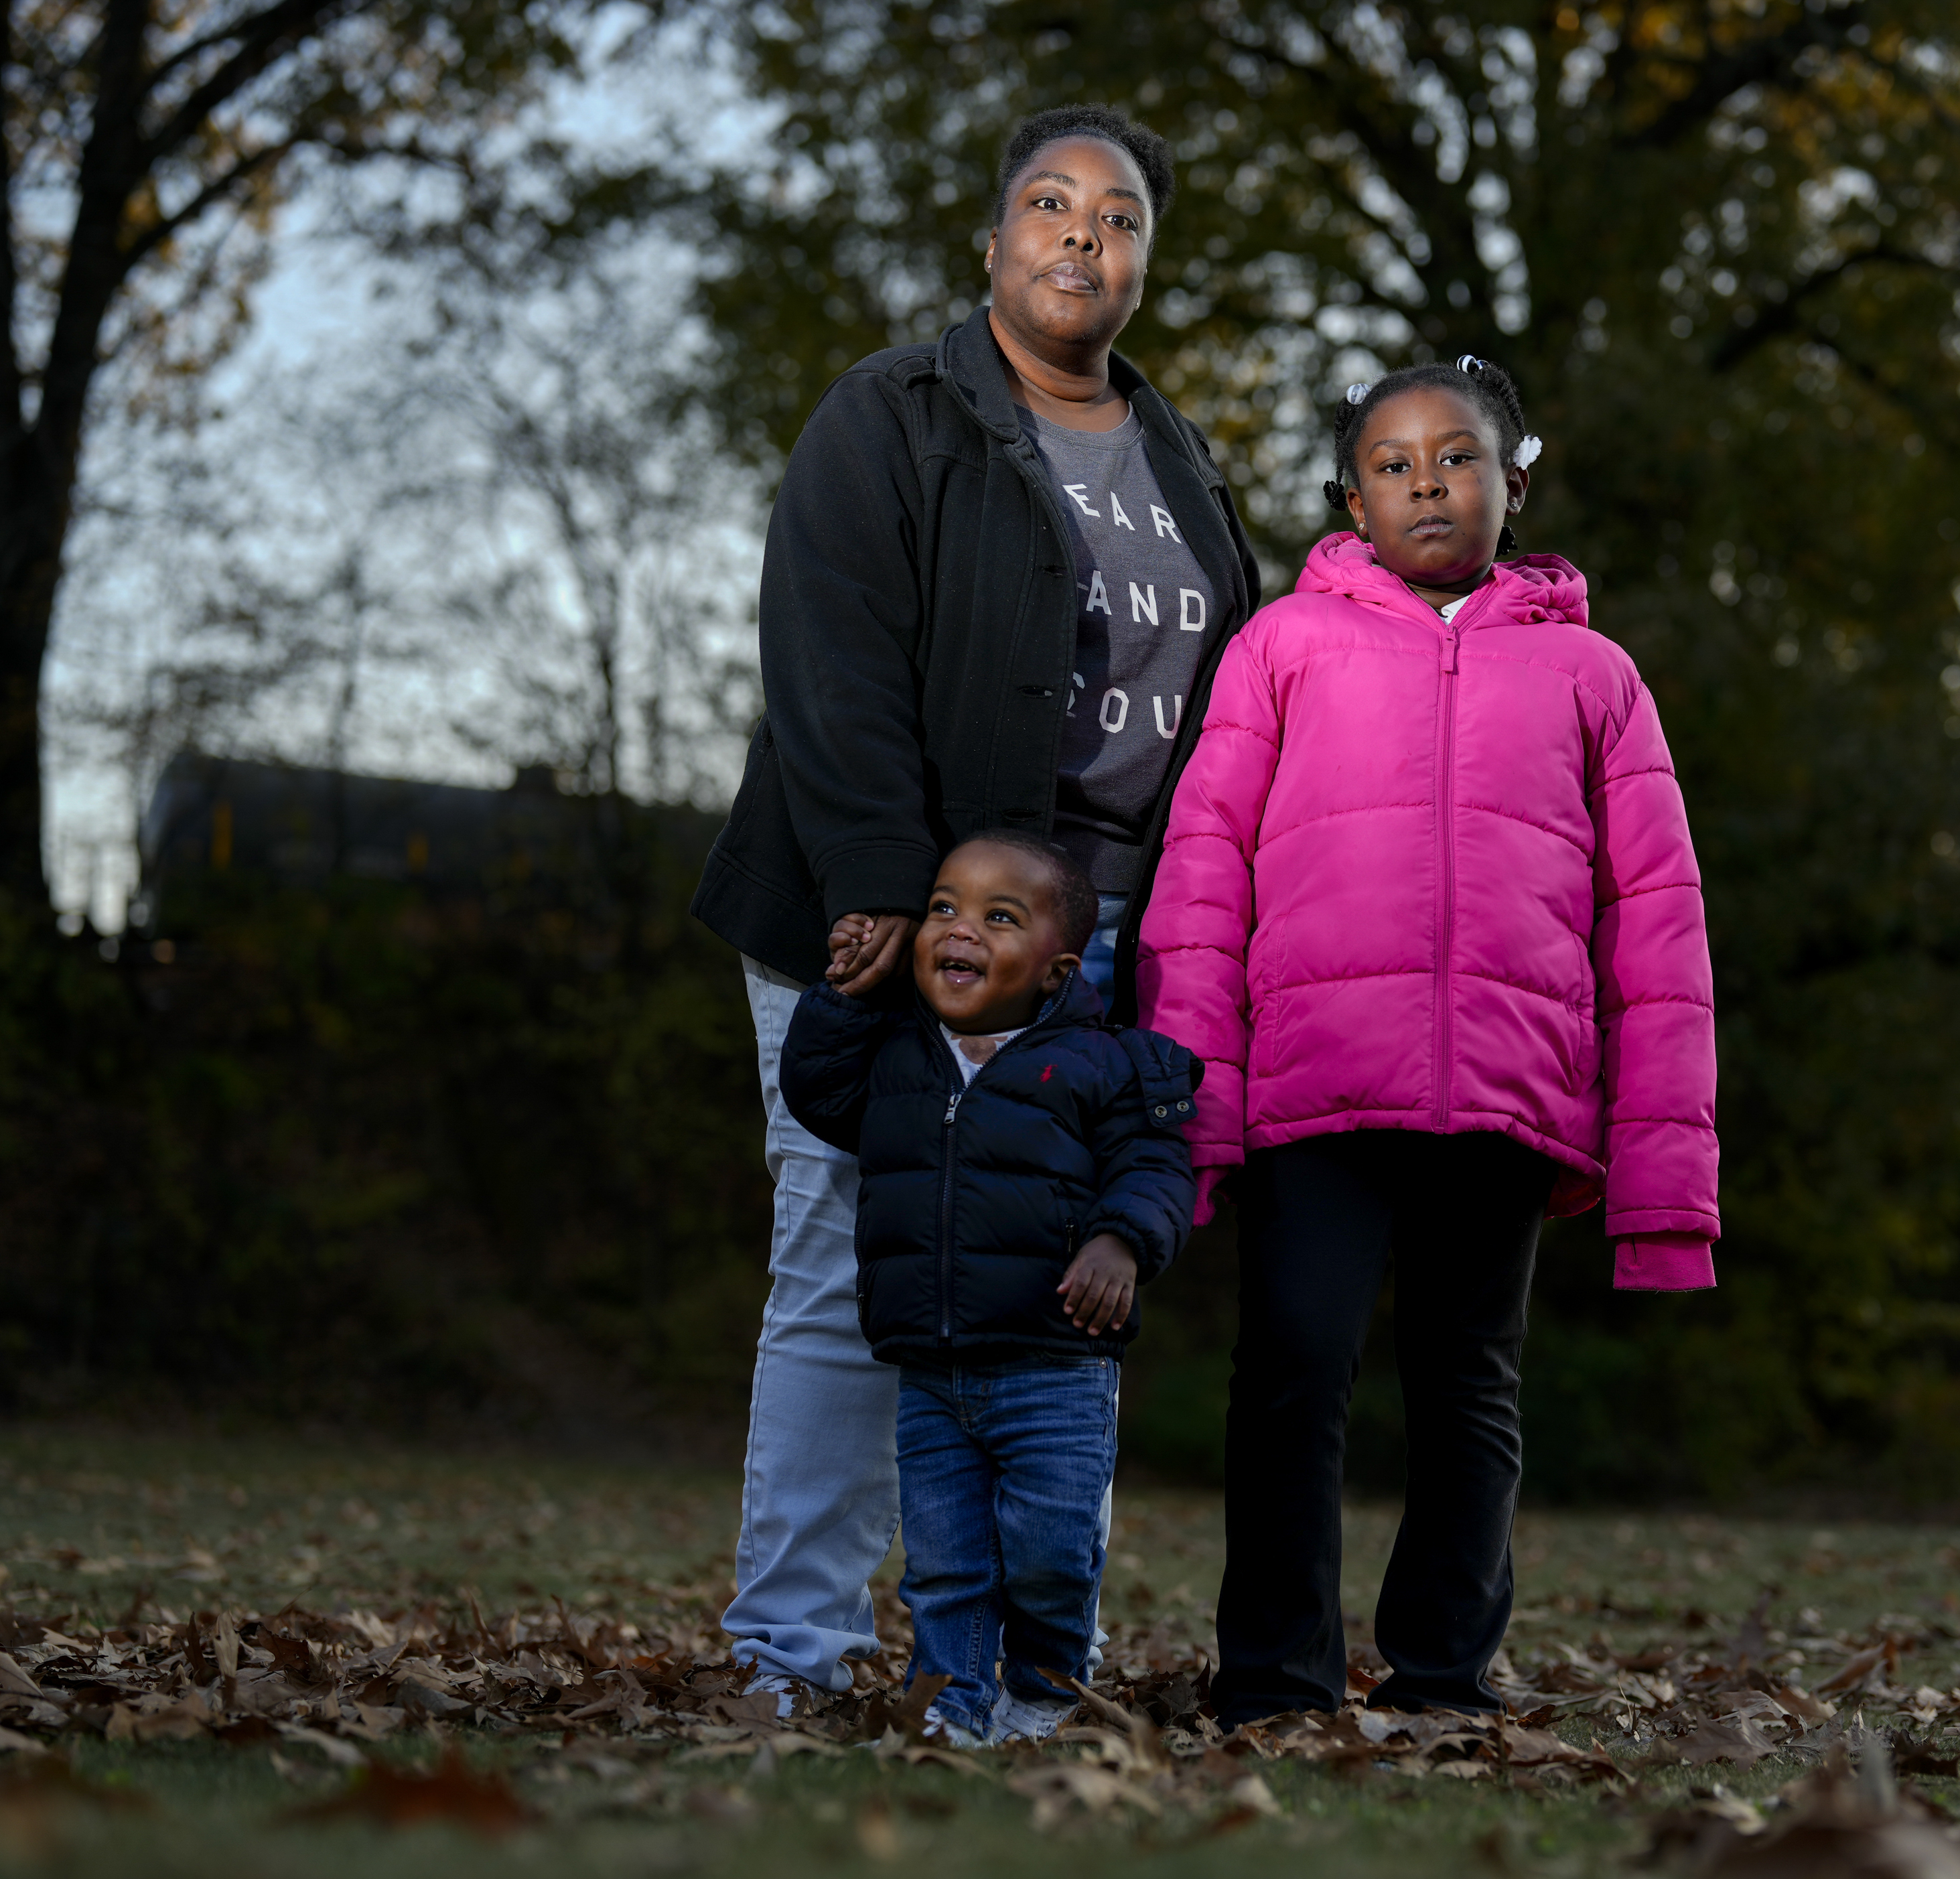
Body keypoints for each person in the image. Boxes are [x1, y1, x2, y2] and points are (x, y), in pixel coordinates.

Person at [690, 103, 1259, 1710]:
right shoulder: (892, 415)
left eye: (1122, 215)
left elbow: (1232, 703)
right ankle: (790, 1655)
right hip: (891, 929)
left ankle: (1015, 1666)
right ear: (993, 241)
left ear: (1145, 259)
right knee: (839, 1269)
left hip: (1095, 957)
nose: (1086, 234)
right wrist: (882, 891)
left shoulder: (1180, 462)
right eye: (1050, 204)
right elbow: (831, 664)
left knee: (1057, 1290)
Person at [1137, 356, 1719, 1726]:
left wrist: (1663, 1182)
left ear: (1515, 480)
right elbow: (1205, 869)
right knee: (1293, 1365)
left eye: (1454, 457)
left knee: (1468, 1389)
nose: (1425, 483)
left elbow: (1660, 923)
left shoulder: (1595, 675)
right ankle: (1274, 1673)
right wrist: (1189, 1094)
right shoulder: (1282, 646)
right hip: (1315, 1089)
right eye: (1391, 465)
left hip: (1506, 1097)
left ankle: (1444, 1675)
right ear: (1351, 497)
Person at [777, 835, 1201, 1744]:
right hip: (933, 1372)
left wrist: (1121, 1242)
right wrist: (843, 993)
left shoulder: (1106, 1065)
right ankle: (955, 1701)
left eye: (998, 918)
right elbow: (816, 1089)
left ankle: (1047, 1688)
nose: (959, 929)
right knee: (945, 1560)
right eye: (944, 907)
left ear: (1054, 972)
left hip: (1055, 1369)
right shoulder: (899, 1055)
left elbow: (1157, 1170)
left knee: (1050, 1552)